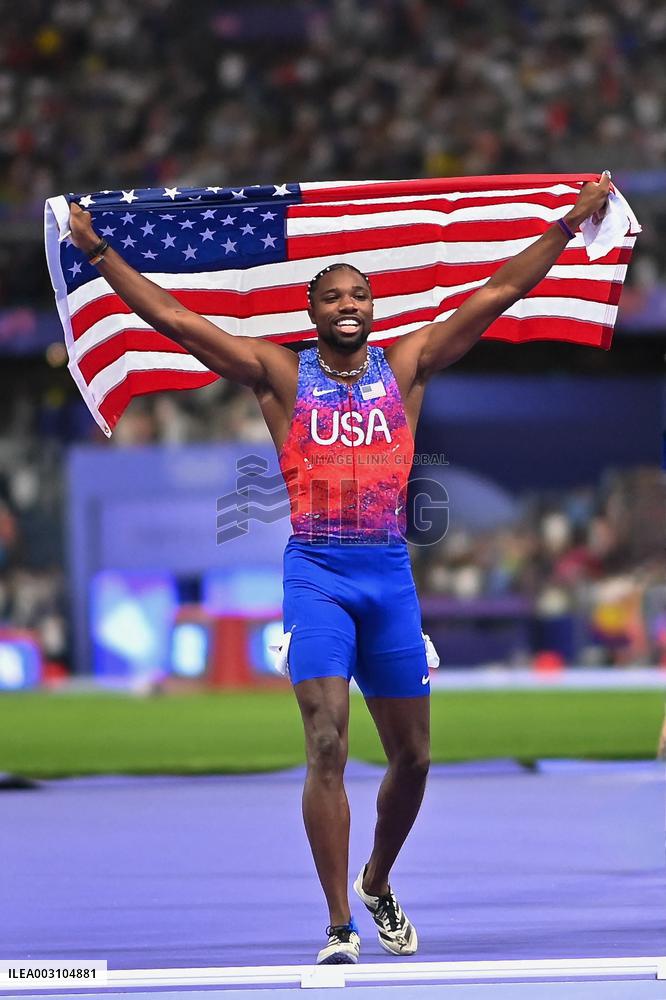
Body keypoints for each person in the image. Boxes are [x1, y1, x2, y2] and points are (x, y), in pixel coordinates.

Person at [68, 173, 610, 964]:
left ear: (373, 308)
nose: (348, 304)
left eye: (360, 294)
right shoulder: (279, 374)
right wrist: (101, 253)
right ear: (313, 312)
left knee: (415, 760)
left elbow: (496, 295)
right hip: (317, 571)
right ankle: (337, 927)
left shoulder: (410, 366)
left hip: (388, 575)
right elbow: (178, 320)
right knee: (326, 745)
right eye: (333, 296)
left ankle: (378, 882)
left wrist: (567, 223)